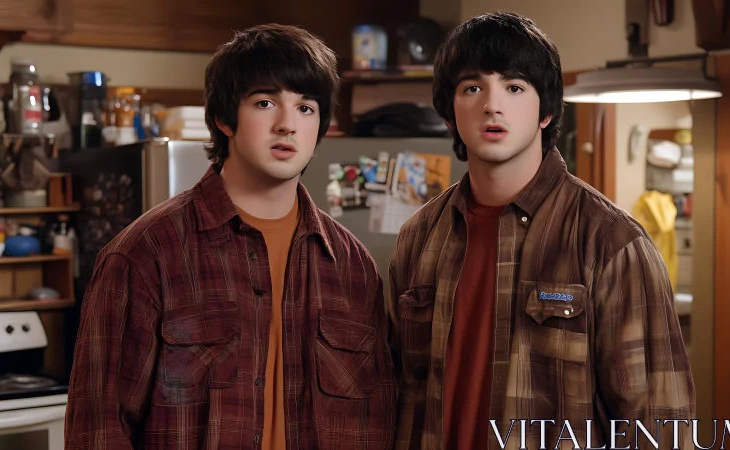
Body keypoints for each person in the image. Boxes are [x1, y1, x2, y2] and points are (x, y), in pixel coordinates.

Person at [65, 24, 396, 450]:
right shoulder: (144, 254)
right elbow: (98, 430)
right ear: (224, 119)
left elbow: (380, 422)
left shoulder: (352, 266)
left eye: (306, 108)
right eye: (264, 102)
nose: (287, 125)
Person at [387, 12, 695, 450]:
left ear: (546, 111)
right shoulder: (418, 236)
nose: (493, 105)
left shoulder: (610, 241)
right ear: (450, 114)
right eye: (473, 88)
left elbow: (659, 423)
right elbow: (397, 395)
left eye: (514, 88)